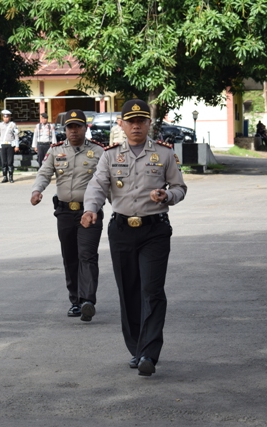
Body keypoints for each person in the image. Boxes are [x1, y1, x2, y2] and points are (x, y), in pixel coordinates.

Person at [81, 99, 187, 376]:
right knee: (128, 290)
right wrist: (91, 209)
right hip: (122, 230)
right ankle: (137, 349)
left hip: (155, 229)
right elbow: (97, 185)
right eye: (131, 121)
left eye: (142, 121)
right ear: (122, 125)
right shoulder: (109, 155)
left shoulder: (164, 154)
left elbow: (179, 187)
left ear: (149, 124)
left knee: (151, 290)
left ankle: (149, 353)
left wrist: (167, 195)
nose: (137, 126)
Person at [31, 109, 106, 321]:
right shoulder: (56, 151)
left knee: (87, 255)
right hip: (64, 212)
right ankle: (75, 301)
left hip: (90, 212)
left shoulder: (99, 152)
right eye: (70, 127)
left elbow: (107, 180)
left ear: (85, 128)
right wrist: (37, 190)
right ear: (65, 130)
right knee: (70, 257)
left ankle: (87, 300)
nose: (74, 131)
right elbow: (44, 173)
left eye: (78, 126)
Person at [0, 109, 19, 183]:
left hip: (10, 145)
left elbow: (16, 135)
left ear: (9, 117)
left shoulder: (13, 125)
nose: (6, 118)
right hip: (2, 145)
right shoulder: (0, 125)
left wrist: (17, 146)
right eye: (4, 117)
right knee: (3, 162)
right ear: (2, 117)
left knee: (10, 162)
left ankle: (11, 177)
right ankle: (5, 177)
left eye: (7, 117)